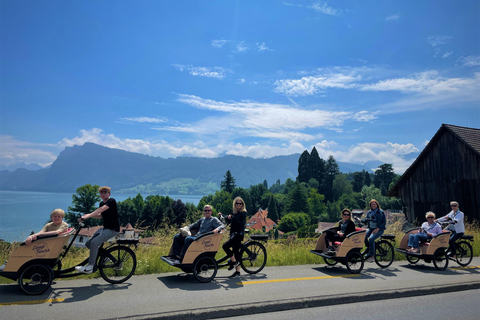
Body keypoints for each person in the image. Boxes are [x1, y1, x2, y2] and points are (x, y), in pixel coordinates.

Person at [76, 186, 120, 274]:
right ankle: (105, 256)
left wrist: (88, 216)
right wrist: (86, 215)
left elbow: (101, 209)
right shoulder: (101, 203)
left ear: (109, 194)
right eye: (101, 193)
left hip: (113, 229)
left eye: (105, 193)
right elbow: (100, 215)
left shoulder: (111, 201)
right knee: (88, 243)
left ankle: (90, 266)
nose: (103, 194)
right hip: (105, 228)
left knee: (94, 243)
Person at [219, 197, 247, 278]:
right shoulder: (235, 212)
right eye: (237, 203)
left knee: (226, 247)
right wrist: (223, 216)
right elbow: (229, 220)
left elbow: (241, 224)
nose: (238, 205)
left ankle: (234, 263)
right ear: (235, 204)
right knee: (235, 251)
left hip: (238, 235)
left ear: (242, 204)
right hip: (233, 234)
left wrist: (233, 217)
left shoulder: (243, 213)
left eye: (240, 203)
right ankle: (236, 268)